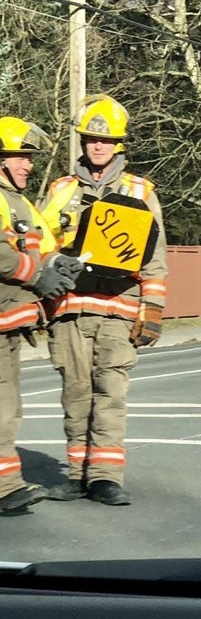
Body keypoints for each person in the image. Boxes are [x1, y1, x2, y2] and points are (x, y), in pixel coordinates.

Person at [42, 94, 167, 507]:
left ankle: (105, 477)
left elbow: (155, 257)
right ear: (82, 142)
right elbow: (38, 245)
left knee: (109, 394)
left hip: (119, 311)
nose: (98, 146)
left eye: (106, 140)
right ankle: (77, 474)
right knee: (76, 395)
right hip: (70, 312)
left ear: (119, 145)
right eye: (91, 140)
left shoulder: (140, 191)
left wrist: (153, 310)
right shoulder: (60, 191)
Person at [0, 117, 81, 513]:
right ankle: (5, 488)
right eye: (20, 157)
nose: (28, 165)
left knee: (8, 404)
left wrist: (60, 265)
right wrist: (39, 276)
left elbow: (42, 244)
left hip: (10, 321)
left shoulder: (19, 201)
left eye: (29, 158)